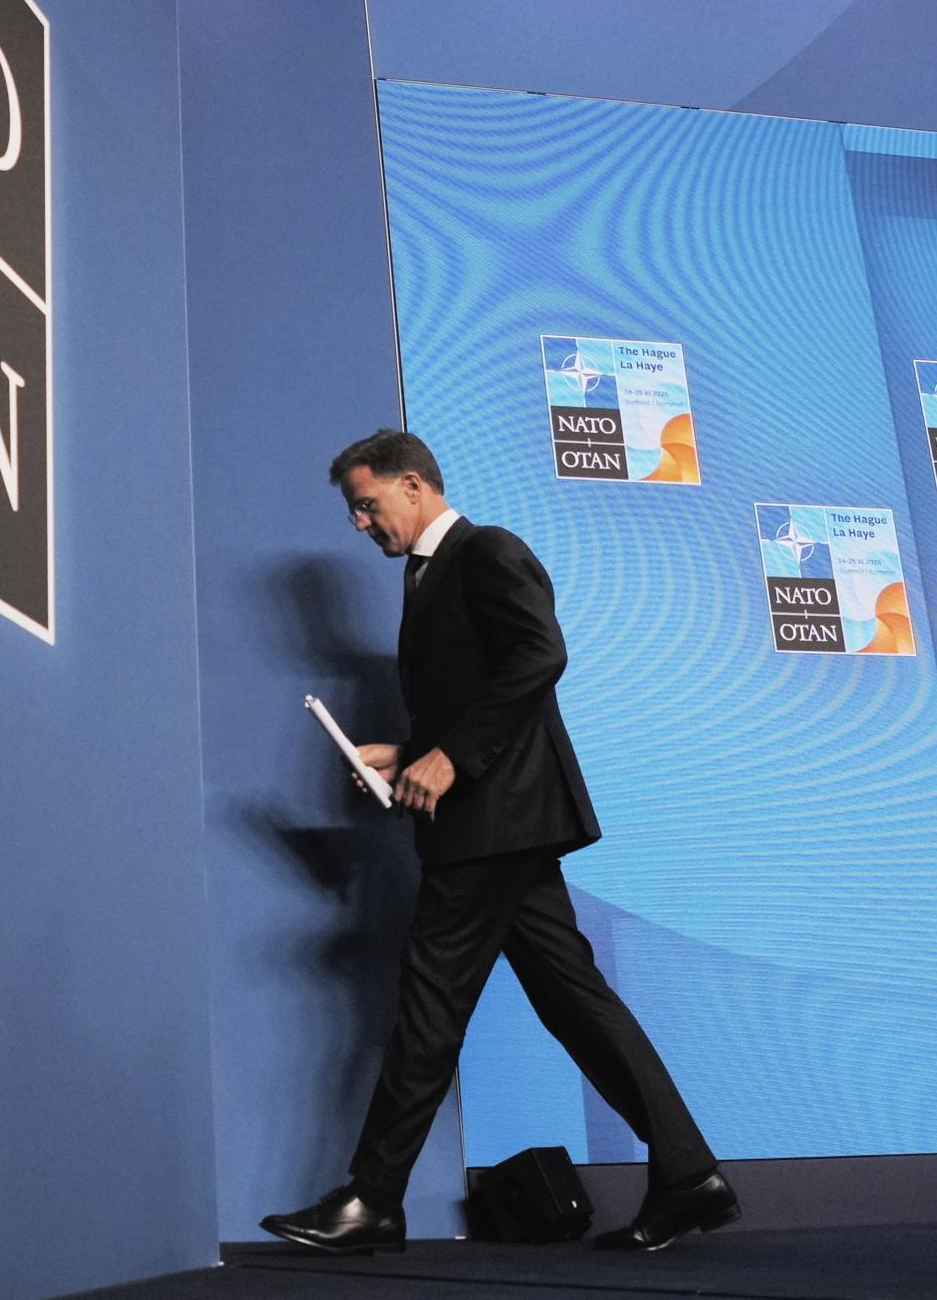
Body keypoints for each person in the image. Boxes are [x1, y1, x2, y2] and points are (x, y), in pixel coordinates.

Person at [261, 429, 738, 1257]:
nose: (361, 524)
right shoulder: (426, 574)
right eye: (354, 512)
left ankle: (373, 1198)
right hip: (504, 822)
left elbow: (541, 652)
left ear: (414, 485)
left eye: (367, 505)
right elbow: (482, 693)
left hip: (494, 824)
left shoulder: (484, 550)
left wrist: (450, 756)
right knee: (573, 1003)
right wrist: (411, 753)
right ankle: (689, 1174)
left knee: (430, 1005)